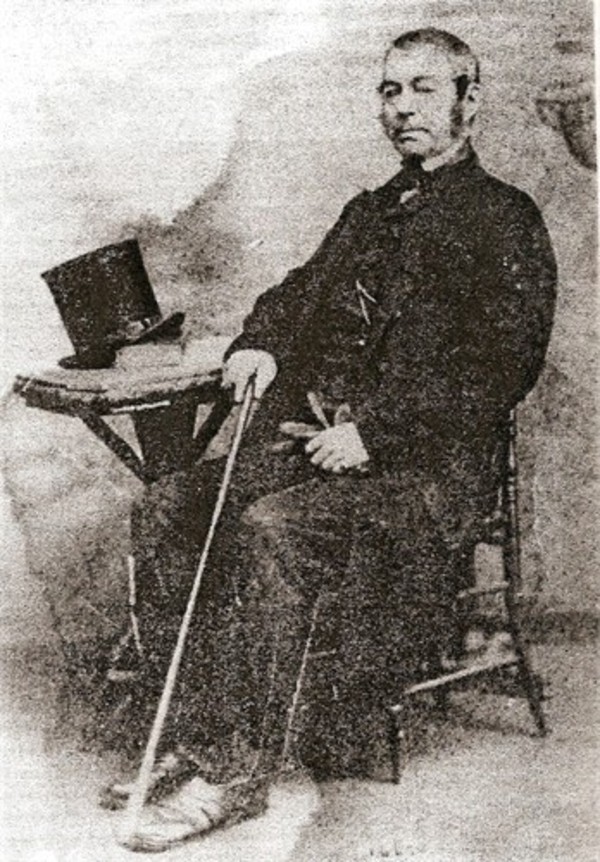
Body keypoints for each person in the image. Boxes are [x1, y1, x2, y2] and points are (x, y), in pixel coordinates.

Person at [107, 27, 557, 852]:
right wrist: (261, 343)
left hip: (427, 478)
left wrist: (375, 435)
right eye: (390, 91)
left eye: (424, 88)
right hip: (324, 450)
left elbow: (501, 369)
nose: (403, 108)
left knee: (270, 528)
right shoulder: (369, 212)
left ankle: (236, 774)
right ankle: (197, 736)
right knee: (171, 504)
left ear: (470, 101)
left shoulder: (506, 220)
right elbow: (298, 295)